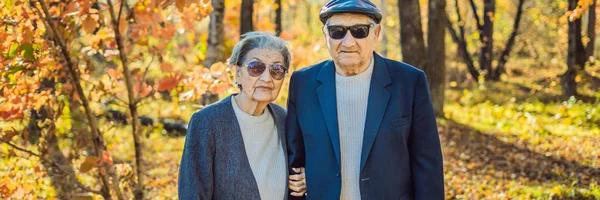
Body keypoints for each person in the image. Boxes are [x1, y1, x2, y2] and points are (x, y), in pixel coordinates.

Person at [286, 0, 445, 199]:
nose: (348, 42)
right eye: (338, 31)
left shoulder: (409, 82)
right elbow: (295, 159)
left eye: (359, 31)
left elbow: (427, 164)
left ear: (376, 34)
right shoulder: (303, 83)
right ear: (325, 35)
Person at [179, 32, 306, 199]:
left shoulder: (284, 119)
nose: (267, 78)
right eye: (256, 68)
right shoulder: (207, 122)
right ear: (238, 72)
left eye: (276, 70)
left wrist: (305, 179)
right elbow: (192, 193)